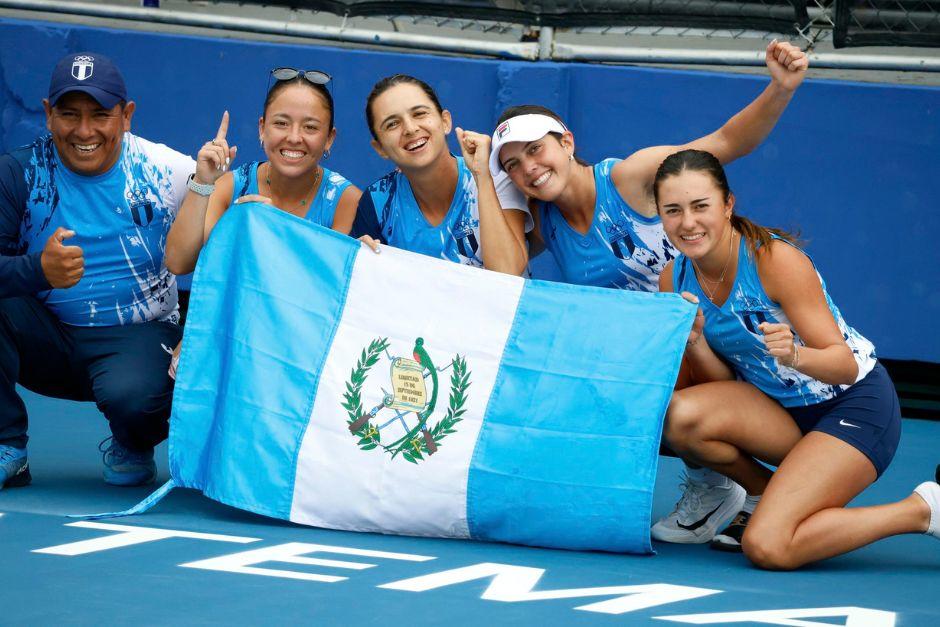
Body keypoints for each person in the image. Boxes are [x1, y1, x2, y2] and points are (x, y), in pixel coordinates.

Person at [488, 41, 810, 544]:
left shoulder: (630, 177)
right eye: (511, 164)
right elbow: (503, 270)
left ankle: (734, 488)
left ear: (567, 141)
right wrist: (492, 187)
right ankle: (746, 490)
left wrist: (781, 87)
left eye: (536, 150)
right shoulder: (543, 221)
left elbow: (727, 142)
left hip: (741, 342)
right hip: (678, 351)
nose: (528, 167)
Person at [653, 148, 940, 567]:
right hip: (780, 412)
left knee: (769, 546)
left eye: (701, 206)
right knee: (678, 415)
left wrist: (794, 356)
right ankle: (765, 493)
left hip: (855, 408)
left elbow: (843, 364)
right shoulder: (673, 277)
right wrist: (695, 341)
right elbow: (719, 385)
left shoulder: (774, 260)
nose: (688, 223)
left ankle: (923, 509)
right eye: (672, 210)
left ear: (728, 204)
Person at [0, 52, 195, 489]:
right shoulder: (17, 172)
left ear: (126, 116)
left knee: (137, 399)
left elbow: (229, 255)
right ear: (48, 115)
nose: (84, 131)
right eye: (69, 114)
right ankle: (6, 443)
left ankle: (132, 439)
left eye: (100, 115)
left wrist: (196, 330)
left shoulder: (173, 172)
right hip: (45, 335)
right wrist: (38, 270)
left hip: (139, 337)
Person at [164, 68, 361, 377]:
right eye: (281, 123)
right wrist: (204, 182)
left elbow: (324, 299)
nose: (294, 137)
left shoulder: (347, 201)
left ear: (329, 138)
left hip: (301, 352)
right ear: (262, 129)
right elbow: (177, 262)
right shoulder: (231, 186)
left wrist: (263, 236)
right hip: (231, 336)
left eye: (310, 127)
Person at [350, 74, 529, 276]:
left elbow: (507, 275)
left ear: (445, 121)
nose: (410, 128)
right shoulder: (378, 201)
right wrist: (359, 265)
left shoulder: (496, 178)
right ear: (380, 147)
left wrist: (483, 178)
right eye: (392, 124)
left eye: (419, 113)